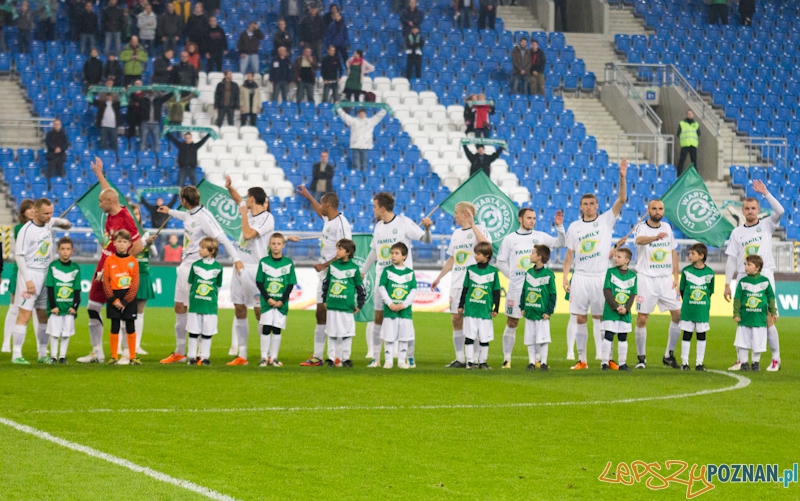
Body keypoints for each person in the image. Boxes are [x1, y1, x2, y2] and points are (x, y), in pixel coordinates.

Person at [159, 186, 242, 364]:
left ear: (184, 200)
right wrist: (171, 211)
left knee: (194, 310)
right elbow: (186, 217)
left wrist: (236, 258)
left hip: (196, 269)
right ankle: (180, 351)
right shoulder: (189, 212)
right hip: (184, 266)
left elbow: (222, 237)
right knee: (179, 307)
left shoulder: (204, 217)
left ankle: (197, 354)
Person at [563, 158, 628, 370]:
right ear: (580, 207)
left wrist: (622, 176)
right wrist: (565, 277)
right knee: (580, 318)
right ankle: (582, 360)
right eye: (585, 204)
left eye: (592, 204)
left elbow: (622, 198)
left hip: (602, 276)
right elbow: (569, 254)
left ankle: (604, 358)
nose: (589, 207)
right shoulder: (574, 226)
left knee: (601, 318)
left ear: (597, 206)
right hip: (580, 277)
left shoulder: (606, 220)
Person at [77, 159, 143, 364]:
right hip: (102, 266)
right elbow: (109, 192)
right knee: (92, 307)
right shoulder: (113, 207)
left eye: (100, 202)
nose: (98, 205)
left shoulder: (125, 218)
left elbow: (138, 247)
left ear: (108, 203)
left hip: (117, 270)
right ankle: (97, 352)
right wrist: (99, 174)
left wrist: (120, 262)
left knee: (121, 310)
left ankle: (125, 353)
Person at [360, 193, 432, 367]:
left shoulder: (403, 223)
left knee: (404, 318)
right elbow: (374, 251)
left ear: (382, 208)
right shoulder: (378, 226)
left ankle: (408, 356)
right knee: (378, 317)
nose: (373, 209)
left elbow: (425, 240)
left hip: (402, 281)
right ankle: (376, 358)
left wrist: (428, 229)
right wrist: (363, 271)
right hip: (382, 279)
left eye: (375, 206)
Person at [724, 179, 784, 372]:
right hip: (743, 276)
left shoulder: (767, 225)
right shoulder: (736, 233)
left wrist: (766, 193)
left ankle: (775, 358)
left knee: (766, 318)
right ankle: (741, 359)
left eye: (753, 208)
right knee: (742, 316)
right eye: (747, 208)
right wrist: (727, 283)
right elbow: (731, 259)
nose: (750, 211)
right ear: (742, 211)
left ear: (758, 210)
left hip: (764, 276)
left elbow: (781, 211)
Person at [496, 208, 565, 369]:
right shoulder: (510, 239)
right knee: (512, 322)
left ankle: (539, 359)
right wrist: (512, 277)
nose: (532, 221)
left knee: (539, 322)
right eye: (529, 218)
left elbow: (560, 243)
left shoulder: (540, 236)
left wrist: (560, 228)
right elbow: (500, 261)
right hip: (516, 288)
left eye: (534, 218)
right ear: (520, 219)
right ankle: (507, 359)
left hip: (538, 290)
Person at [295, 187, 353, 367]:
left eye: (321, 203)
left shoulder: (342, 224)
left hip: (337, 276)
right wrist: (309, 196)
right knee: (320, 313)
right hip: (325, 275)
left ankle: (340, 356)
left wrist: (324, 265)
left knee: (336, 315)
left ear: (328, 204)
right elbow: (321, 214)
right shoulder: (329, 220)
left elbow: (346, 250)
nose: (320, 206)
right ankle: (318, 356)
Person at [431, 202, 491, 368]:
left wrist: (473, 224)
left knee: (475, 320)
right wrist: (439, 277)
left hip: (475, 283)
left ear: (465, 214)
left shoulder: (479, 229)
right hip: (457, 282)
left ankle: (478, 359)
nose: (454, 216)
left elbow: (486, 246)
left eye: (456, 213)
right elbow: (452, 258)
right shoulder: (456, 233)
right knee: (456, 318)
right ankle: (460, 358)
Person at [11, 198, 71, 364]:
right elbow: (19, 255)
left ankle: (42, 353)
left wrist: (65, 223)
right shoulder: (26, 230)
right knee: (25, 315)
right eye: (46, 213)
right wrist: (28, 279)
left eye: (51, 212)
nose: (49, 216)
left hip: (46, 274)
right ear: (35, 212)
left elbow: (64, 222)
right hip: (30, 274)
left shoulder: (49, 222)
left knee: (44, 315)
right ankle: (16, 354)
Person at [224, 178, 275, 366]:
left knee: (260, 312)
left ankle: (267, 352)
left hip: (257, 269)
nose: (244, 200)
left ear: (253, 199)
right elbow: (237, 199)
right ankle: (242, 356)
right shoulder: (248, 209)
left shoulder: (267, 218)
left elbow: (247, 235)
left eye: (247, 197)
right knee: (239, 308)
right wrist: (230, 187)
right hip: (240, 266)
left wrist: (244, 215)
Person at [632, 199, 682, 370]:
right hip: (646, 278)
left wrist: (676, 277)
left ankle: (669, 355)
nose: (658, 211)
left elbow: (673, 252)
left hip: (666, 279)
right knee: (642, 318)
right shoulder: (641, 227)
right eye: (654, 208)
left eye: (660, 209)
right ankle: (641, 358)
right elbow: (638, 240)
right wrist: (654, 237)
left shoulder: (667, 228)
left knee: (678, 316)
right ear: (649, 210)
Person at [321, 238, 366, 367]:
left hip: (347, 307)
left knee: (347, 333)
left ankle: (345, 358)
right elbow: (326, 283)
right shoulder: (333, 266)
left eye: (340, 249)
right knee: (331, 332)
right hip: (332, 305)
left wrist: (360, 304)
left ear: (348, 252)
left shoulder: (354, 268)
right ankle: (331, 358)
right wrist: (324, 299)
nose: (337, 251)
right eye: (337, 248)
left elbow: (360, 287)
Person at [255, 233, 297, 367]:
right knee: (266, 328)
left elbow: (290, 285)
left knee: (277, 329)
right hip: (267, 303)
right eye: (273, 243)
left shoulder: (288, 263)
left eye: (279, 244)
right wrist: (268, 299)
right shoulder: (264, 262)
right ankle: (263, 357)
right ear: (269, 245)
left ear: (283, 245)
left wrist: (282, 301)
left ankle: (273, 358)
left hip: (281, 303)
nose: (276, 246)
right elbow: (260, 282)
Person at [458, 241, 501, 370]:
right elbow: (465, 289)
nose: (475, 256)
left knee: (484, 337)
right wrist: (461, 305)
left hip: (485, 310)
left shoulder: (493, 272)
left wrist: (496, 308)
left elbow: (496, 291)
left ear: (486, 255)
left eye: (478, 254)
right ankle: (470, 362)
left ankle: (482, 362)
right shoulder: (470, 269)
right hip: (471, 309)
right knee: (469, 336)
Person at [2, 200, 37, 354]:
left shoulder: (40, 229)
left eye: (34, 209)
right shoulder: (19, 229)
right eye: (29, 209)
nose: (32, 211)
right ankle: (6, 343)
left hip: (37, 272)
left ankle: (40, 347)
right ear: (23, 212)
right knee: (14, 308)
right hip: (20, 272)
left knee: (37, 310)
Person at [102, 230, 140, 365]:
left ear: (129, 244)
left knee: (130, 326)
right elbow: (105, 281)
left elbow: (135, 283)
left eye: (124, 242)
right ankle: (113, 356)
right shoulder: (109, 260)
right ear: (114, 243)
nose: (122, 244)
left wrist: (125, 301)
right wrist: (114, 300)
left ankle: (133, 356)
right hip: (114, 296)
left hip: (127, 297)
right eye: (119, 241)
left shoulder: (133, 261)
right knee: (114, 326)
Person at [733, 255, 776, 372]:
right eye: (745, 264)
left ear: (757, 267)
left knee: (758, 341)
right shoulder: (742, 282)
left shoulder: (765, 282)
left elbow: (771, 297)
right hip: (745, 318)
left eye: (748, 264)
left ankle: (756, 363)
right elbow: (737, 299)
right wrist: (736, 313)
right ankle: (744, 363)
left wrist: (773, 311)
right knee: (743, 341)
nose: (745, 267)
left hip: (759, 318)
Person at [378, 242, 417, 369]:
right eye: (392, 253)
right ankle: (388, 360)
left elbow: (413, 290)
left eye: (396, 253)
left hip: (405, 312)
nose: (393, 256)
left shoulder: (410, 273)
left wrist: (404, 304)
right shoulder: (387, 271)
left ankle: (401, 361)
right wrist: (390, 303)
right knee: (389, 336)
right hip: (390, 310)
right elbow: (382, 287)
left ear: (404, 256)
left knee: (404, 337)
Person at [185, 237, 223, 365]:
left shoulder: (218, 268)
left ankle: (205, 357)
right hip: (196, 304)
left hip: (210, 306)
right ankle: (191, 356)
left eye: (202, 248)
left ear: (211, 251)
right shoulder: (195, 265)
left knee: (207, 331)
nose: (199, 250)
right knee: (193, 331)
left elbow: (218, 286)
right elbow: (190, 283)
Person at [518, 244, 556, 371]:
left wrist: (548, 311)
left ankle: (543, 362)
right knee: (530, 338)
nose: (530, 255)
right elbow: (524, 291)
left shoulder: (549, 274)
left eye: (533, 253)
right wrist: (522, 306)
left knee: (543, 338)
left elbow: (552, 294)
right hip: (530, 311)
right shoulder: (528, 273)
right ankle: (531, 362)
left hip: (541, 313)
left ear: (539, 257)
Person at [45, 236, 81, 364]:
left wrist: (75, 307)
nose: (65, 251)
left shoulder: (75, 268)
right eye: (62, 249)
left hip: (69, 308)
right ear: (58, 250)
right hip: (56, 307)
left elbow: (77, 290)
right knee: (54, 333)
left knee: (66, 333)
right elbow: (49, 288)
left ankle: (62, 356)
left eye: (68, 249)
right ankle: (53, 356)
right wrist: (53, 305)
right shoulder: (53, 266)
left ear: (72, 250)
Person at [678, 243, 714, 372]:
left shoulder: (710, 273)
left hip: (702, 311)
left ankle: (699, 363)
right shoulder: (686, 271)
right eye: (689, 253)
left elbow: (710, 291)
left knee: (701, 335)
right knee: (687, 334)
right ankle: (685, 362)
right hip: (688, 310)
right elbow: (682, 289)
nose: (689, 256)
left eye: (692, 253)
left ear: (701, 256)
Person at [600, 247, 637, 371]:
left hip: (625, 313)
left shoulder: (633, 276)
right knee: (608, 335)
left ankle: (622, 363)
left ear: (627, 260)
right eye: (615, 256)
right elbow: (607, 291)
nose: (615, 258)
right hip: (611, 312)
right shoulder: (610, 272)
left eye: (619, 257)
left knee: (623, 337)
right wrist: (616, 307)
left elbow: (632, 294)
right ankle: (604, 362)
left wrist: (626, 308)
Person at [336, 106, 386, 171]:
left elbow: (379, 116)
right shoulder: (354, 121)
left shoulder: (370, 122)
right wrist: (338, 108)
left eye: (363, 114)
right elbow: (344, 116)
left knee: (364, 165)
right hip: (356, 146)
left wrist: (385, 109)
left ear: (365, 114)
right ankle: (357, 179)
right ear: (358, 114)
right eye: (360, 114)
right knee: (356, 165)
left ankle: (363, 179)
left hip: (365, 146)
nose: (362, 115)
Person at [92, 81, 121, 153]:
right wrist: (90, 90)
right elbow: (91, 100)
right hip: (104, 125)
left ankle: (115, 158)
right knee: (103, 143)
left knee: (114, 144)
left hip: (114, 126)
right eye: (108, 95)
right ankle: (102, 158)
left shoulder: (116, 104)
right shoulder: (101, 104)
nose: (109, 97)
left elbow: (125, 100)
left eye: (110, 95)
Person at [44, 119, 69, 188]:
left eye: (58, 124)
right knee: (50, 173)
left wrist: (60, 149)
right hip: (52, 156)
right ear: (53, 125)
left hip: (61, 156)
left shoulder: (64, 135)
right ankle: (49, 187)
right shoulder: (49, 134)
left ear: (60, 125)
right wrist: (54, 148)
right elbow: (48, 143)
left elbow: (66, 144)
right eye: (56, 124)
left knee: (60, 173)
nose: (57, 126)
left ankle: (60, 187)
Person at [676, 110, 700, 175]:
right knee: (682, 160)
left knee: (694, 161)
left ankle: (695, 175)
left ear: (693, 115)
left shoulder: (696, 124)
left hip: (693, 145)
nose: (690, 115)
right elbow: (678, 133)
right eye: (688, 114)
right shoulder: (682, 123)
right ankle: (678, 175)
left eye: (691, 113)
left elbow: (698, 133)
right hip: (685, 145)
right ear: (686, 115)